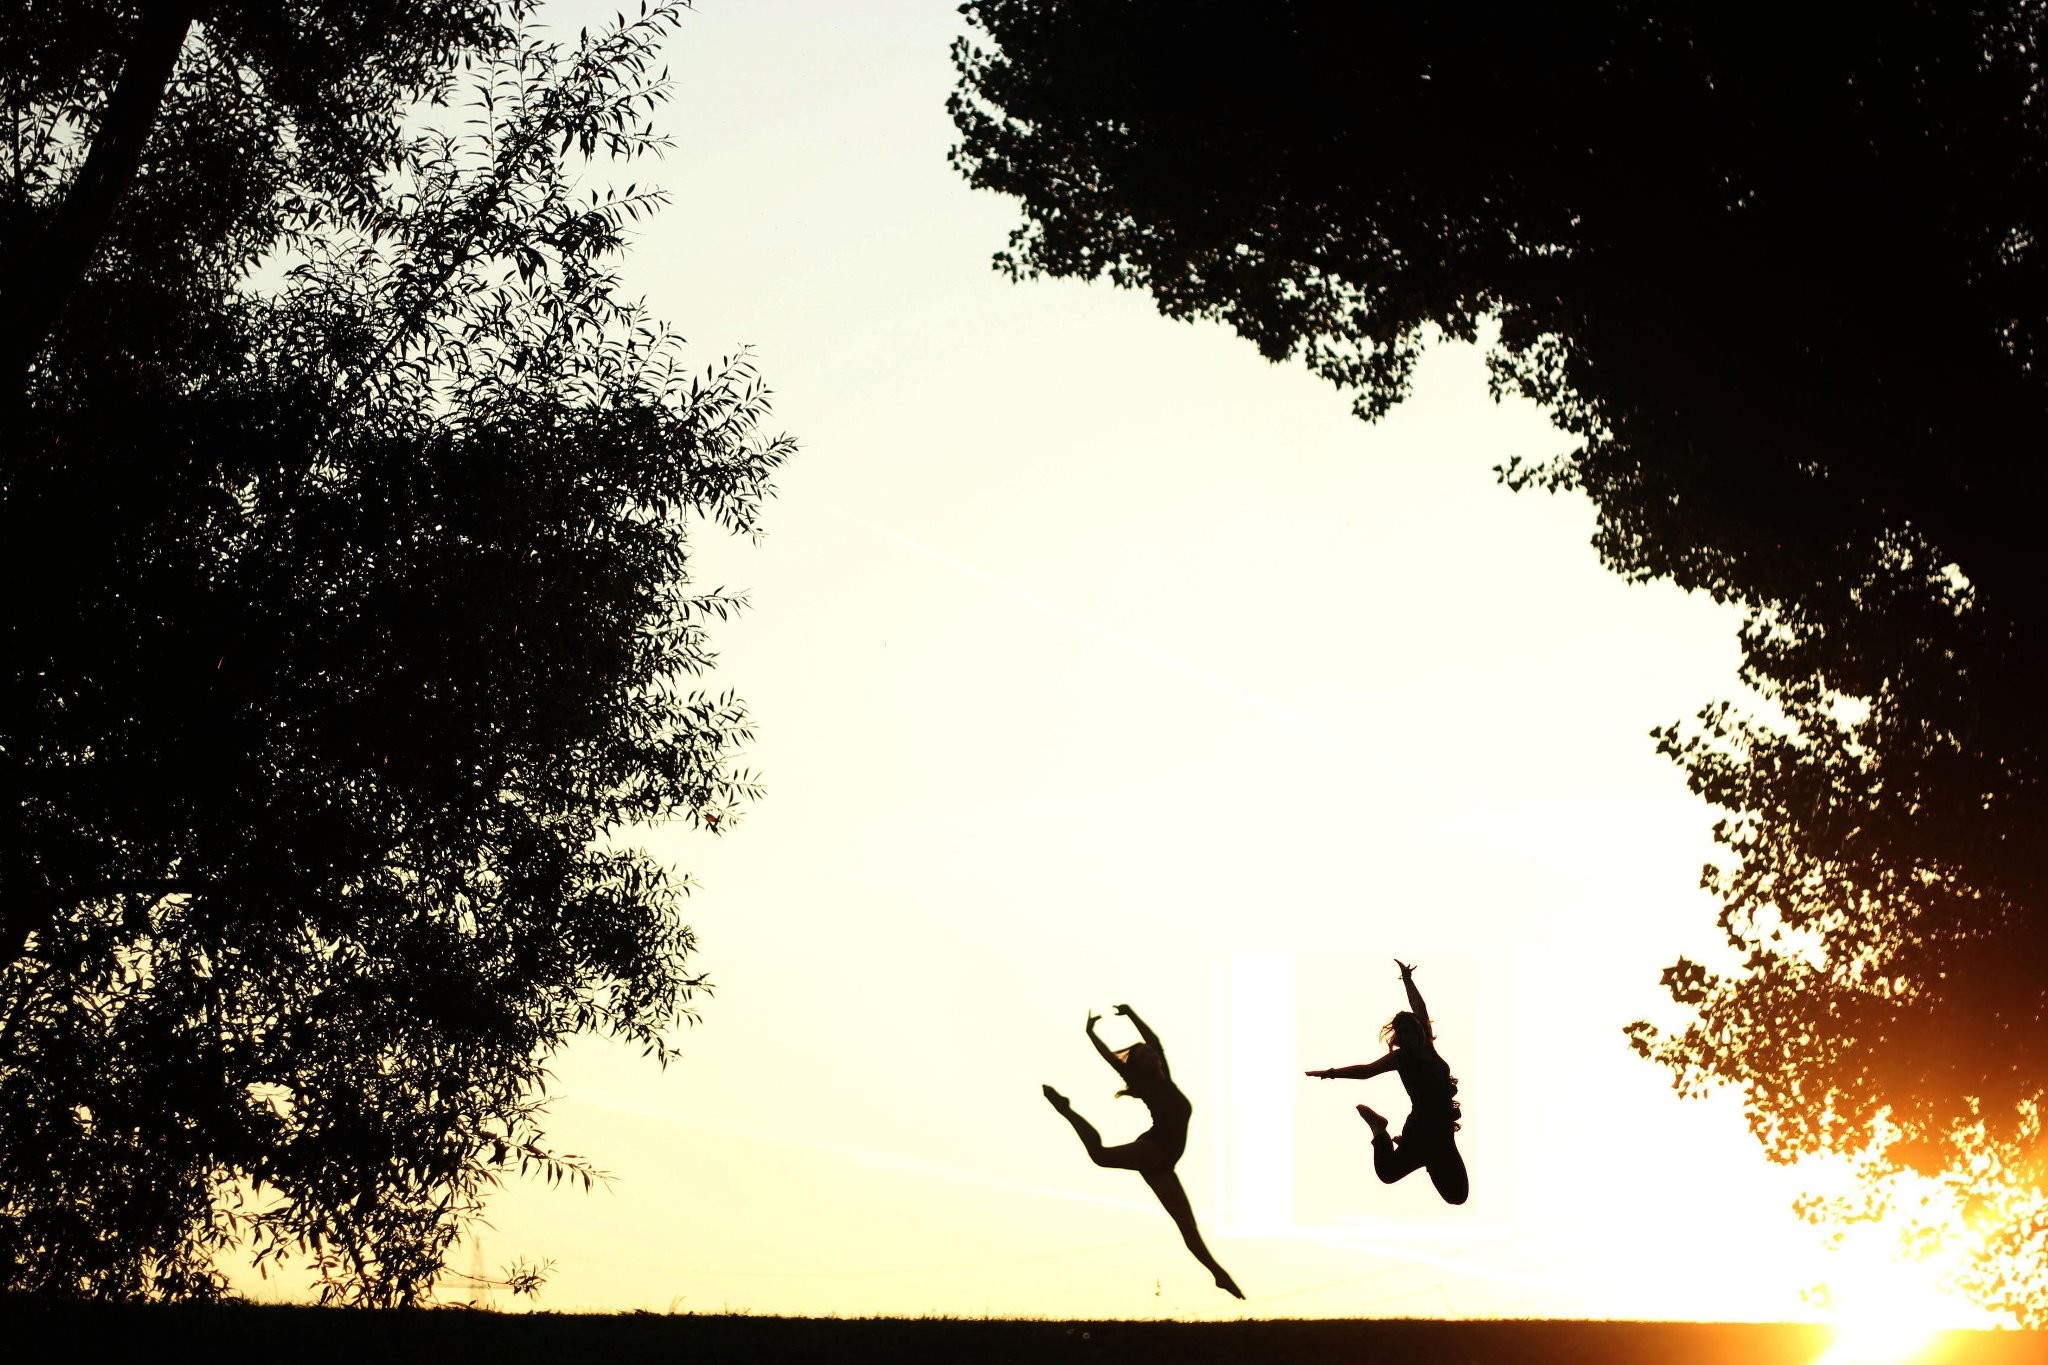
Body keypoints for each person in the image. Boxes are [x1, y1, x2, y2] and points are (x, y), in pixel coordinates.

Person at [1043, 1003, 1244, 1298]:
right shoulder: (1144, 1082)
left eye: (1151, 1054)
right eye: (1144, 1055)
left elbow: (1155, 1041)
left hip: (1164, 1165)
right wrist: (1090, 1033)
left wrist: (1131, 1013)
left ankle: (1219, 1275)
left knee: (1187, 1226)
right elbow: (1111, 1059)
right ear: (1138, 1066)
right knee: (1100, 1155)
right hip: (1154, 1147)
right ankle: (1066, 1110)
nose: (1151, 1055)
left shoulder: (1165, 1076)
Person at [1305, 959, 1469, 1205]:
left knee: (1458, 1197)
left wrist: (1408, 980)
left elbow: (1419, 1007)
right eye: (1407, 1034)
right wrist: (1331, 1072)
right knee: (1387, 1173)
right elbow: (1367, 1071)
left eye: (1416, 1031)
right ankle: (1379, 1129)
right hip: (1425, 1129)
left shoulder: (1427, 1048)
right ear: (1401, 1037)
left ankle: (1420, 1155)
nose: (1415, 1036)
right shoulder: (1402, 1058)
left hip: (1440, 1133)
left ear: (1420, 1032)